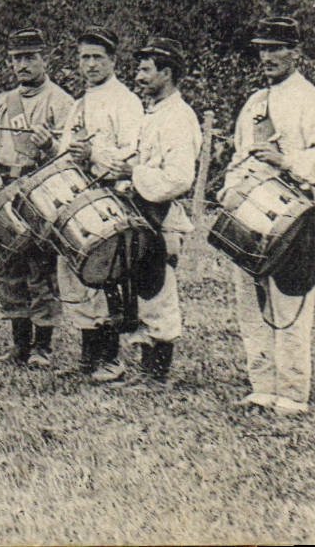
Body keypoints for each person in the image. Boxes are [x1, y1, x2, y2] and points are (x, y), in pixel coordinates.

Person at [222, 15, 315, 414]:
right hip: (252, 216)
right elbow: (239, 156)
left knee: (290, 301)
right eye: (263, 49)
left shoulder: (314, 99)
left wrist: (287, 159)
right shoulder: (255, 102)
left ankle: (292, 393)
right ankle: (262, 386)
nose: (268, 57)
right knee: (251, 302)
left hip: (294, 215)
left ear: (296, 52)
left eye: (276, 48)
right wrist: (230, 189)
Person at [0, 28, 74, 368]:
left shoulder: (62, 102)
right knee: (9, 267)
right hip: (8, 194)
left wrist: (49, 148)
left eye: (30, 58)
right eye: (16, 59)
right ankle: (19, 345)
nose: (23, 65)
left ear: (45, 59)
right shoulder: (5, 102)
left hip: (43, 194)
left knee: (41, 270)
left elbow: (70, 157)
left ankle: (43, 347)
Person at [56, 26, 143, 382]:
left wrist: (96, 154)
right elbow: (65, 151)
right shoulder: (80, 103)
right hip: (81, 200)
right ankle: (88, 357)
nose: (90, 65)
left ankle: (112, 358)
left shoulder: (126, 102)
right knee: (77, 275)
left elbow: (135, 154)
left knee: (106, 276)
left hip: (111, 198)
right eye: (84, 57)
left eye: (97, 58)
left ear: (113, 61)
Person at [122, 37, 200, 384]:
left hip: (163, 216)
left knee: (159, 291)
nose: (138, 76)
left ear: (166, 73)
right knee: (144, 288)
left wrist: (133, 174)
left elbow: (180, 178)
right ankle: (146, 366)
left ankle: (157, 373)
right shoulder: (154, 113)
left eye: (146, 70)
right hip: (143, 212)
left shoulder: (179, 118)